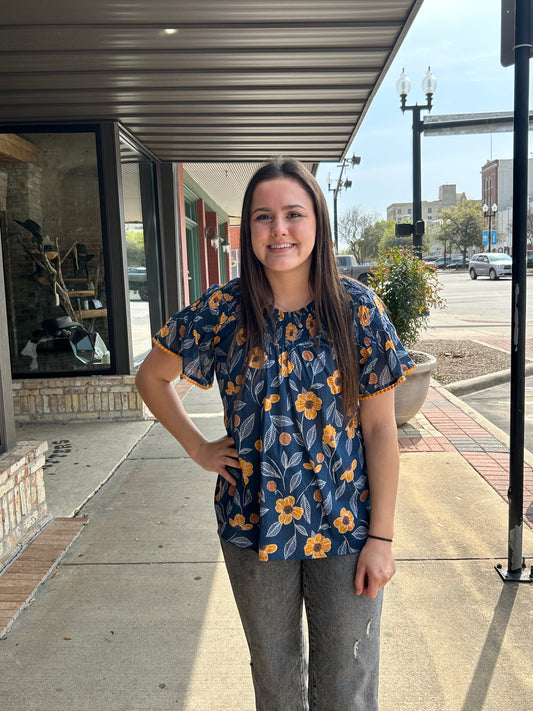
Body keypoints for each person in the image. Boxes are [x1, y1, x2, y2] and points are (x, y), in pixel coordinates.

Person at [135, 158, 415, 711]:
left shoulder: (357, 310)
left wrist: (381, 538)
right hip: (252, 525)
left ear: (317, 222)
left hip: (345, 526)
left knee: (347, 682)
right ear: (248, 229)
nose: (279, 229)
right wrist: (197, 446)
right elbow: (151, 376)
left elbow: (381, 430)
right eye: (263, 217)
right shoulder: (222, 310)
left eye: (293, 214)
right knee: (277, 680)